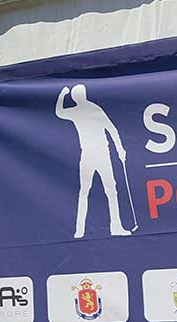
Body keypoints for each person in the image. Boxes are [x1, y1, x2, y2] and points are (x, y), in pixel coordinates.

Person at [55, 83, 131, 238]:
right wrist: (119, 149)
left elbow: (111, 129)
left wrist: (63, 95)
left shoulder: (91, 110)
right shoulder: (84, 110)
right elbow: (59, 113)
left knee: (109, 190)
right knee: (87, 191)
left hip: (100, 154)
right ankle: (80, 230)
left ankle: (114, 227)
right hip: (91, 154)